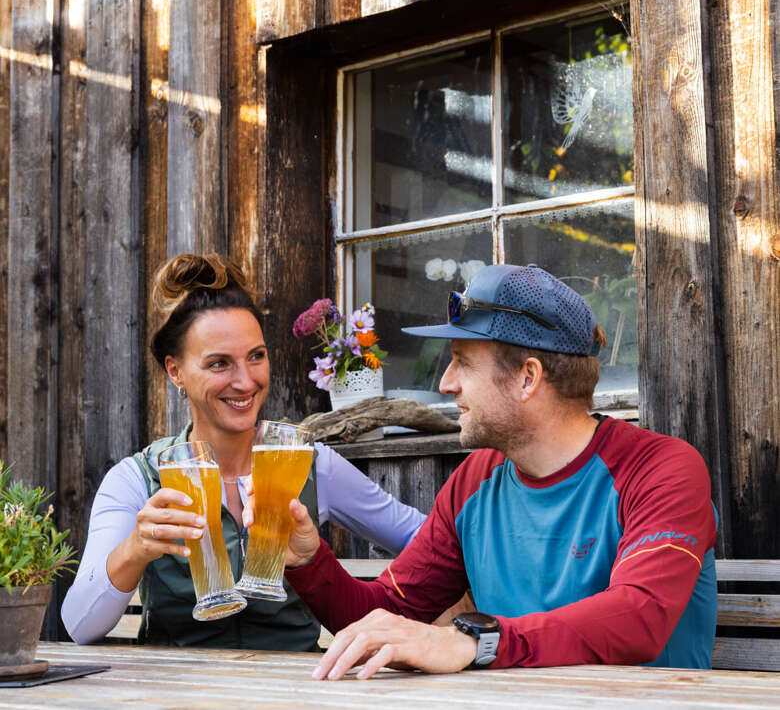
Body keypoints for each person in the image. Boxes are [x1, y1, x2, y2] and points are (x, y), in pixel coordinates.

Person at [277, 263, 718, 678]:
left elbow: (639, 615)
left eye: (463, 361)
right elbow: (387, 612)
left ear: (528, 377)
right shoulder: (475, 480)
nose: (445, 383)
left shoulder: (661, 470)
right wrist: (309, 562)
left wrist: (477, 642)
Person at [61, 253, 425, 649]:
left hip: (297, 693)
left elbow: (429, 541)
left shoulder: (309, 464)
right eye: (219, 364)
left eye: (256, 356)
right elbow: (79, 625)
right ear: (175, 372)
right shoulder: (137, 479)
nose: (246, 381)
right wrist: (135, 550)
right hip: (172, 692)